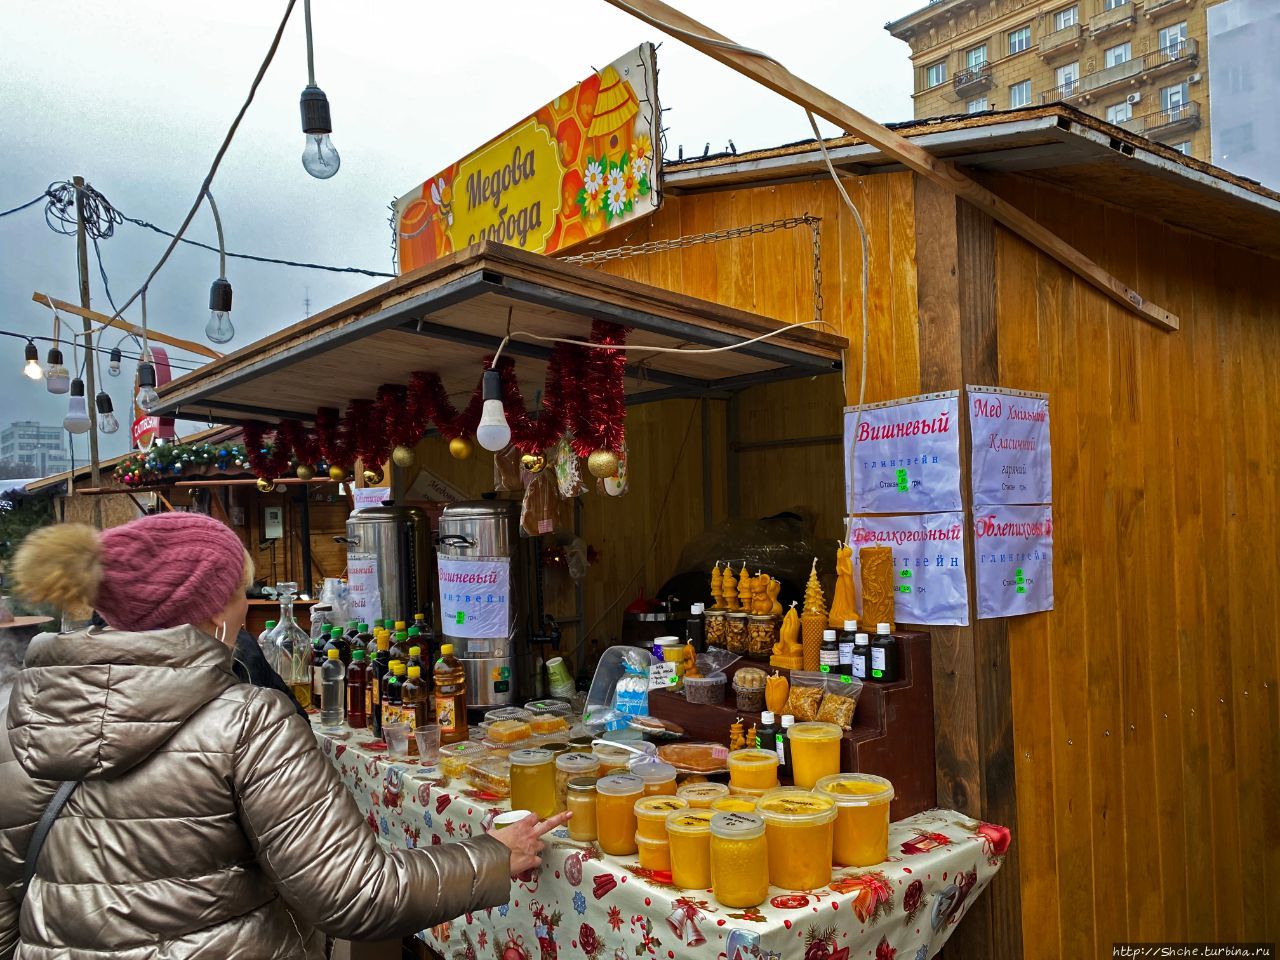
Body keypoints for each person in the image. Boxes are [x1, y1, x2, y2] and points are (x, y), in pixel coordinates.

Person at [0, 513, 568, 959]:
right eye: (238, 591)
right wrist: (495, 855)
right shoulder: (246, 720)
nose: (246, 607)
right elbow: (354, 893)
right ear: (209, 608)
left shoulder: (19, 719)